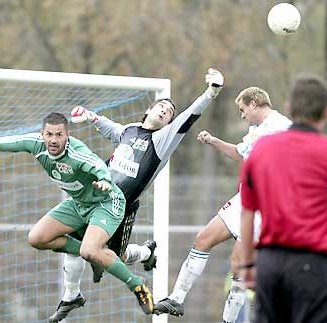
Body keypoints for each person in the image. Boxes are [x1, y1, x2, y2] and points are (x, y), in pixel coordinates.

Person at [49, 68, 225, 322]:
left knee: (115, 258)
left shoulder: (162, 140)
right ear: (149, 111)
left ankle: (145, 253)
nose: (165, 111)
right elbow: (113, 130)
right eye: (161, 106)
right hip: (95, 199)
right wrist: (91, 116)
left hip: (120, 208)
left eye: (169, 112)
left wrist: (211, 92)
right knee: (74, 244)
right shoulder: (131, 129)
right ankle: (71, 295)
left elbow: (189, 116)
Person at [0, 112, 154, 316]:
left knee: (91, 250)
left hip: (107, 203)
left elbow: (98, 166)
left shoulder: (77, 153)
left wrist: (105, 182)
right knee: (37, 238)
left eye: (59, 135)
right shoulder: (35, 144)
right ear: (43, 134)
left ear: (68, 135)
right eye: (49, 134)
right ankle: (97, 255)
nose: (53, 139)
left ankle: (137, 285)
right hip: (79, 204)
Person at [153, 86, 292, 321]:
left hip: (267, 207)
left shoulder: (284, 127)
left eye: (242, 110)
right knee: (202, 239)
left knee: (237, 267)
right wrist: (213, 141)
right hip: (245, 198)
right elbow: (240, 153)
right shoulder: (256, 130)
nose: (242, 115)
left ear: (254, 104)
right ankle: (176, 299)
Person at [239, 74, 327, 323]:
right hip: (314, 265)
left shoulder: (262, 149)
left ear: (288, 109)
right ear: (326, 112)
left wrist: (248, 266)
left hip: (270, 263)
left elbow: (248, 211)